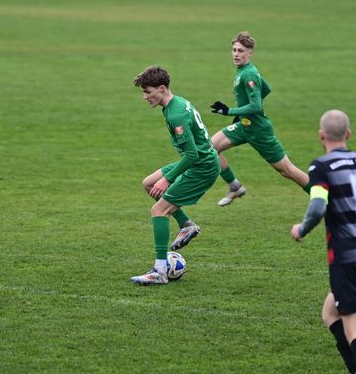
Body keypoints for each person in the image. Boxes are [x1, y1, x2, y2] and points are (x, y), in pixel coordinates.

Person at [291, 110, 356, 374]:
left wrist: (301, 229)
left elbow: (318, 206)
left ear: (321, 136)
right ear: (349, 134)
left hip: (347, 256)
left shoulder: (321, 167)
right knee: (331, 313)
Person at [131, 66, 220, 285]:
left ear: (162, 88)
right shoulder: (176, 103)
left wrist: (168, 179)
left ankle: (160, 271)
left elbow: (192, 155)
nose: (145, 97)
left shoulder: (176, 115)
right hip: (197, 161)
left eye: (148, 92)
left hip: (201, 166)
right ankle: (186, 224)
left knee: (158, 210)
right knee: (149, 183)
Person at [210, 31, 310, 206]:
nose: (236, 54)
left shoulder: (248, 74)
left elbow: (255, 106)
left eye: (240, 51)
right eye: (234, 50)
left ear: (250, 52)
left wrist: (229, 111)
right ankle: (235, 187)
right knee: (210, 148)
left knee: (287, 171)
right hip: (244, 126)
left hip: (258, 130)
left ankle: (325, 197)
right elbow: (266, 88)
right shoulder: (243, 71)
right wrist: (241, 114)